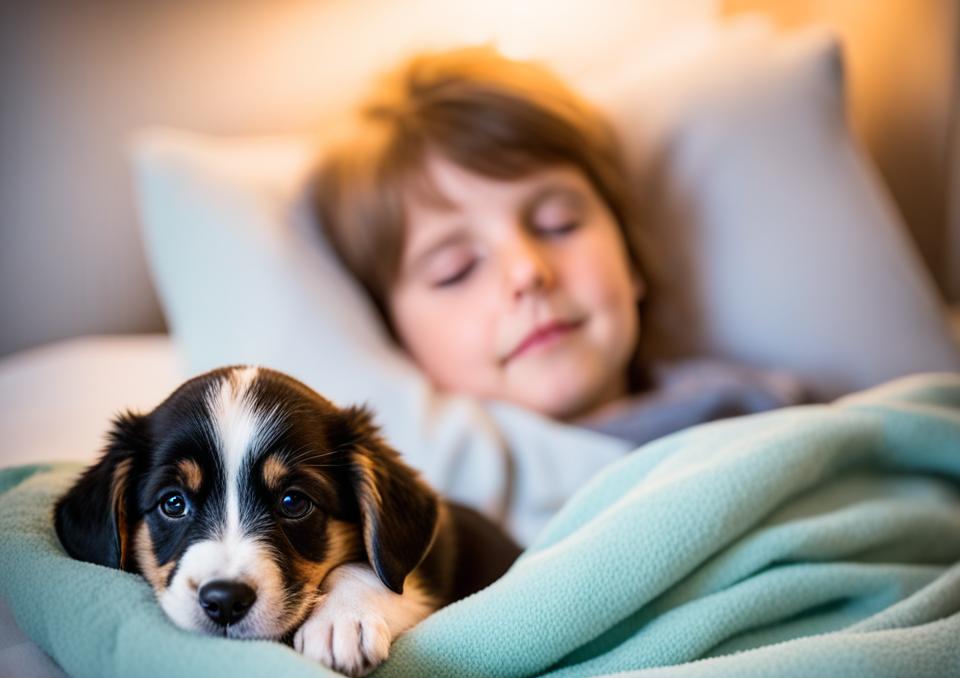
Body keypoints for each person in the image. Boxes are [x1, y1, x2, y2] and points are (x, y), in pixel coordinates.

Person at [313, 46, 807, 448]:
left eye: (558, 224)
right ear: (398, 342)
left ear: (630, 254)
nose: (527, 270)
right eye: (456, 269)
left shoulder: (764, 411)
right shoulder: (448, 532)